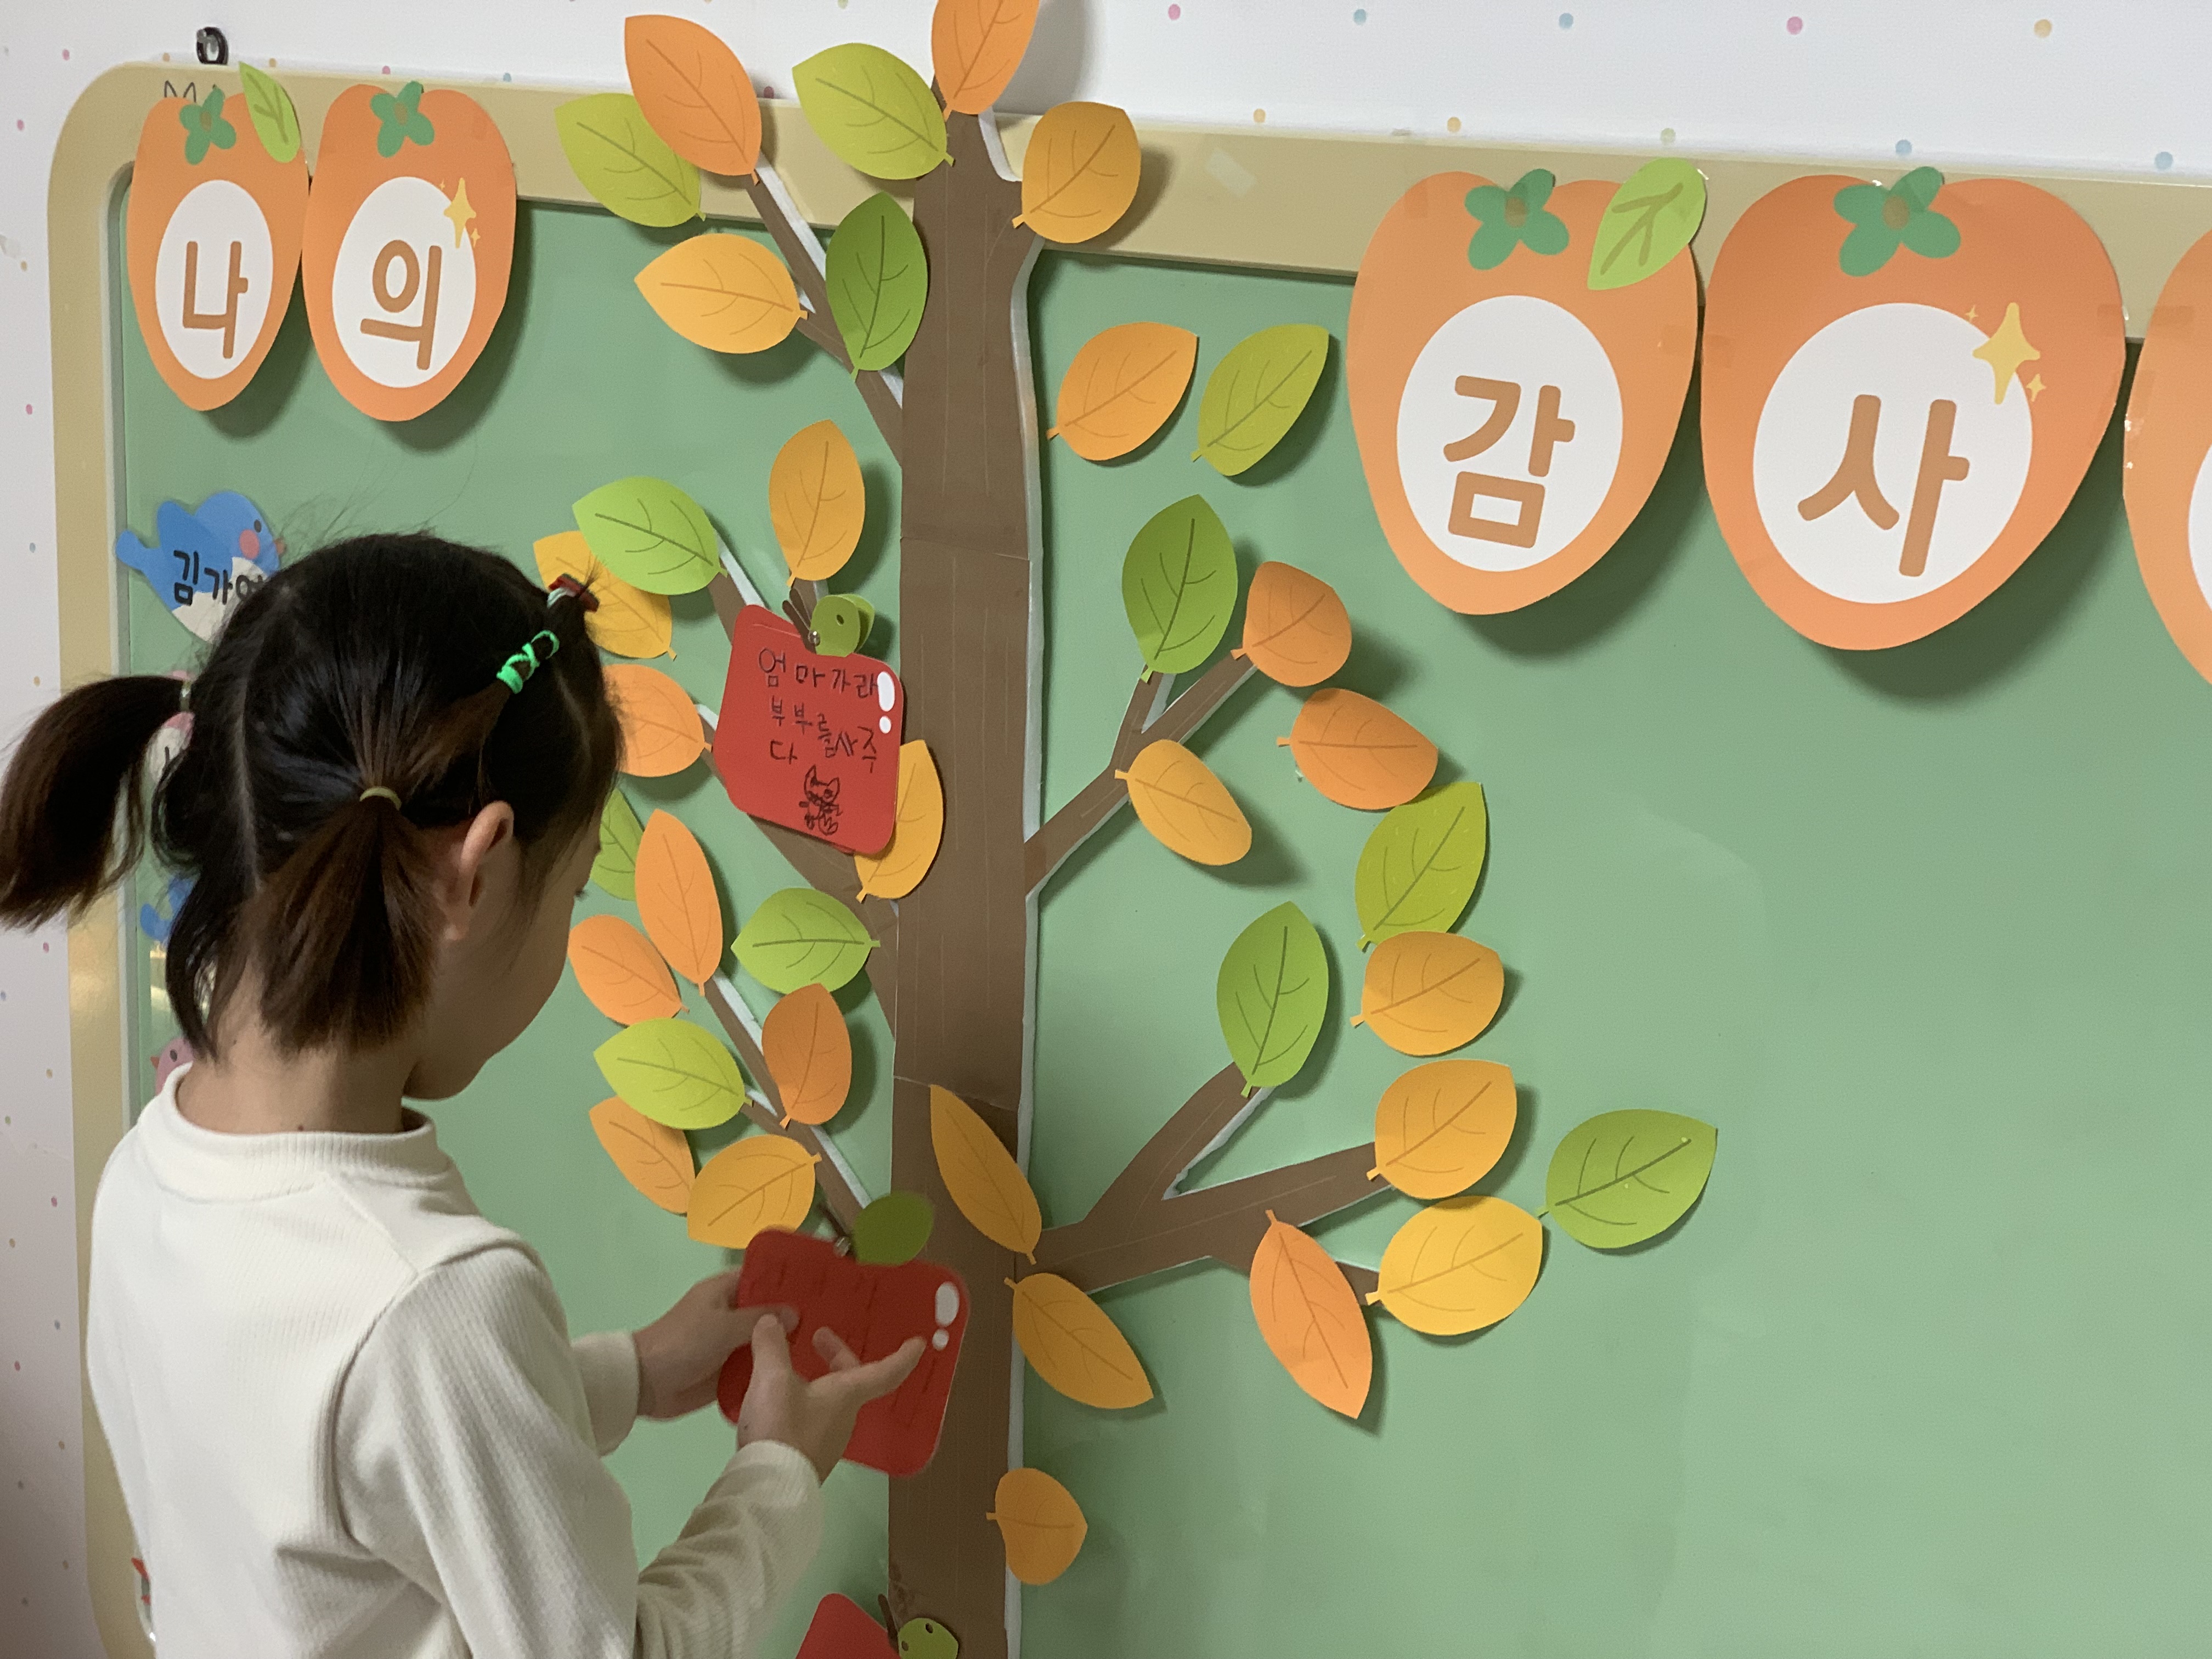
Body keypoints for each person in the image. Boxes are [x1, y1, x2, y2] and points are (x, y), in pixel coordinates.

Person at [0, 534, 921, 1658]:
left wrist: (629, 1373)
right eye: (574, 890)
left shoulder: (150, 1173)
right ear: (476, 877)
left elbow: (353, 1469)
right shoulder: (429, 1300)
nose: (567, 927)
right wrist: (778, 1471)